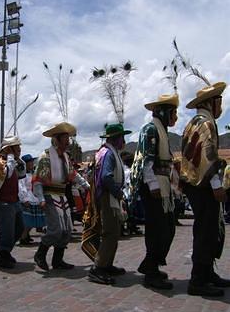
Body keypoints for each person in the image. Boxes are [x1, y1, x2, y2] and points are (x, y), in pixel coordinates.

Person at [181, 81, 230, 297]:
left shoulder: (194, 122)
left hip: (194, 185)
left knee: (205, 229)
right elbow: (208, 157)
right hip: (203, 186)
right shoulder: (206, 124)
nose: (221, 106)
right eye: (219, 101)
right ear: (211, 103)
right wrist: (217, 185)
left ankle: (207, 273)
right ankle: (198, 280)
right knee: (205, 231)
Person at [131, 94, 178, 290]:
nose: (175, 117)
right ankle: (151, 272)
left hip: (162, 187)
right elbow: (146, 161)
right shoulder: (150, 129)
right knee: (157, 229)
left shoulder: (162, 131)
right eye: (173, 113)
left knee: (167, 228)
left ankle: (151, 264)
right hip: (154, 189)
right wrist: (153, 185)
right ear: (164, 112)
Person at [33, 122, 89, 271]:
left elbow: (72, 174)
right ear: (56, 140)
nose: (67, 143)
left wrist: (86, 185)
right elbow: (37, 180)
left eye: (68, 140)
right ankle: (40, 254)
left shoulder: (65, 157)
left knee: (67, 229)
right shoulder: (45, 158)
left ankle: (57, 260)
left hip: (62, 195)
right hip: (50, 195)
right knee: (56, 229)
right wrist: (41, 199)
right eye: (65, 140)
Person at [87, 123, 131, 285]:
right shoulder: (109, 154)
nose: (124, 141)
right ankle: (98, 267)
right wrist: (118, 193)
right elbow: (106, 177)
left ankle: (106, 264)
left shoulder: (108, 152)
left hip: (108, 196)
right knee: (110, 232)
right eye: (122, 137)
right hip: (107, 197)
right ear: (116, 139)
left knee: (114, 231)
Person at [0, 135, 26, 269]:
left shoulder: (13, 161)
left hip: (14, 200)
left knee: (19, 227)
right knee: (7, 231)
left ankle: (5, 251)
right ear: (9, 149)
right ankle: (1, 255)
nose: (19, 150)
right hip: (4, 201)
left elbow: (21, 174)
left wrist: (17, 160)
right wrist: (11, 158)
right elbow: (8, 174)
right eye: (16, 148)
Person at [18, 153, 46, 245]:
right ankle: (23, 237)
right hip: (28, 199)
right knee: (27, 220)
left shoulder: (32, 173)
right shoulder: (23, 175)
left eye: (32, 162)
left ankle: (26, 236)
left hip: (34, 198)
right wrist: (24, 199)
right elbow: (21, 187)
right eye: (30, 162)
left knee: (31, 220)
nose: (32, 164)